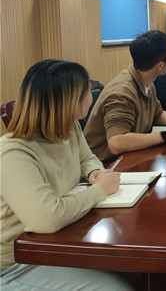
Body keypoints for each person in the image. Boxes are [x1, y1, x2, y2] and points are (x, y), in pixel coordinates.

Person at [0, 59, 136, 290]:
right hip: (16, 263)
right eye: (85, 92)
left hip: (59, 241)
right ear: (65, 102)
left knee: (138, 269)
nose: (91, 97)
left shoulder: (69, 127)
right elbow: (46, 218)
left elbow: (86, 158)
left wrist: (93, 171)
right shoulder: (13, 153)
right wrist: (99, 190)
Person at [84, 30, 166, 163]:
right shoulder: (122, 93)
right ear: (160, 65)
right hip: (107, 164)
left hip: (132, 155)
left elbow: (158, 114)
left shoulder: (147, 81)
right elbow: (117, 143)